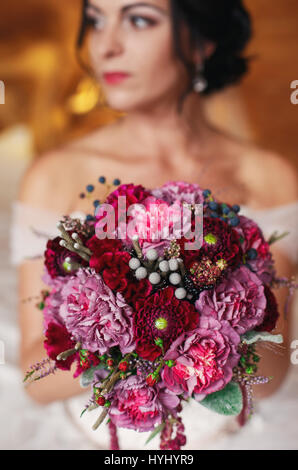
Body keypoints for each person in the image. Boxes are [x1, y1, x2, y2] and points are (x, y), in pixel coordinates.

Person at [12, 0, 298, 449]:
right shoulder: (54, 176)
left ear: (202, 41)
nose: (106, 45)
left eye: (139, 19)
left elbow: (271, 375)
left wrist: (202, 317)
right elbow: (35, 378)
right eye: (96, 20)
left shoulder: (268, 177)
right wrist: (129, 326)